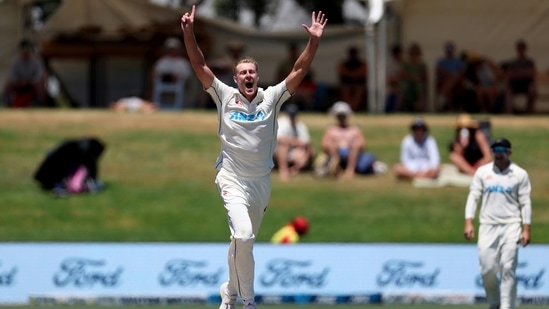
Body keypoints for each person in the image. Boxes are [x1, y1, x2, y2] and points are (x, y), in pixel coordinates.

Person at [180, 6, 327, 309]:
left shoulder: (271, 97)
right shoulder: (223, 95)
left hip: (260, 182)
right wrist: (188, 32)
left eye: (252, 72)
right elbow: (198, 64)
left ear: (258, 76)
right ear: (235, 79)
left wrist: (313, 41)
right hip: (232, 177)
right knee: (243, 236)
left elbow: (298, 71)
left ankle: (229, 290)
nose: (248, 76)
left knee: (243, 244)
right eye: (242, 72)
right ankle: (247, 302)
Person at [464, 138, 532, 309]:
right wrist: (469, 222)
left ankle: (506, 306)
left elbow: (525, 203)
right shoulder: (482, 172)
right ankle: (495, 303)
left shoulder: (519, 174)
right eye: (495, 150)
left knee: (507, 267)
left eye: (502, 150)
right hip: (488, 225)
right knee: (487, 269)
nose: (499, 153)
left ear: (509, 152)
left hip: (511, 225)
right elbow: (473, 197)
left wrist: (526, 229)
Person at [315, 101, 387, 179]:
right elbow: (324, 145)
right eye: (339, 116)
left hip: (352, 155)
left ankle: (350, 169)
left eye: (343, 116)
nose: (341, 119)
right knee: (331, 144)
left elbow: (362, 144)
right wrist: (336, 145)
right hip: (335, 154)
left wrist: (350, 145)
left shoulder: (355, 129)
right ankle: (336, 167)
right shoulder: (331, 130)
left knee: (356, 144)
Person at [274, 104, 314, 181]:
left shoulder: (300, 125)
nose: (292, 117)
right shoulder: (281, 122)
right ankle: (283, 170)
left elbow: (306, 142)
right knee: (284, 146)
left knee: (309, 151)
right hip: (276, 152)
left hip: (293, 152)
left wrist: (301, 146)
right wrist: (296, 142)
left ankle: (294, 170)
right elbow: (280, 139)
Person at [152, 37, 192, 109]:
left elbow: (187, 75)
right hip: (163, 82)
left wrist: (177, 77)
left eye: (174, 49)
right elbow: (156, 73)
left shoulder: (183, 62)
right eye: (170, 49)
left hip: (178, 83)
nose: (172, 51)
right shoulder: (162, 61)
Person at [275, 43, 317, 110]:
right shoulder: (285, 64)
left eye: (295, 51)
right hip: (288, 87)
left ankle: (309, 110)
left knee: (308, 96)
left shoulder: (302, 62)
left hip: (302, 87)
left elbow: (310, 75)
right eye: (292, 51)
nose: (293, 53)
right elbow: (278, 77)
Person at [4, 39, 44, 107]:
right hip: (19, 84)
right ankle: (8, 103)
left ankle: (40, 104)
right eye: (24, 52)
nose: (26, 54)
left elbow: (38, 76)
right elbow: (13, 77)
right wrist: (20, 82)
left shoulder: (36, 63)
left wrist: (29, 82)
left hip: (32, 84)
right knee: (8, 85)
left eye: (27, 52)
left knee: (40, 85)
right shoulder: (15, 63)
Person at [505, 39, 537, 114]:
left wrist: (518, 72)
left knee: (532, 89)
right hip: (515, 84)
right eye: (519, 48)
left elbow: (531, 73)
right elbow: (510, 74)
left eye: (522, 48)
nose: (521, 50)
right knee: (508, 91)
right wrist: (523, 72)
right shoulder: (513, 62)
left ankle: (529, 110)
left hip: (526, 83)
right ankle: (509, 112)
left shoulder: (530, 62)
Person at [435, 41, 466, 112]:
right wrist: (451, 76)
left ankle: (449, 106)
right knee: (451, 81)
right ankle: (451, 107)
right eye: (448, 50)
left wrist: (453, 77)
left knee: (453, 81)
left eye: (451, 50)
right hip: (445, 81)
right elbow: (440, 71)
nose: (449, 52)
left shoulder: (459, 61)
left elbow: (462, 73)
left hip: (456, 83)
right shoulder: (441, 61)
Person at [399, 42, 428, 112]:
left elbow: (424, 77)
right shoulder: (405, 64)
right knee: (403, 87)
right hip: (407, 83)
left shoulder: (422, 65)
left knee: (420, 88)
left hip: (418, 84)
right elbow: (403, 74)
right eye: (412, 53)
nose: (414, 55)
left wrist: (416, 78)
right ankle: (400, 107)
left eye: (416, 53)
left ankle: (419, 107)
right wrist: (413, 78)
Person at [338, 45, 367, 111]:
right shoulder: (344, 63)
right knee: (345, 90)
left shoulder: (361, 63)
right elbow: (342, 71)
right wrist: (355, 74)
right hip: (346, 84)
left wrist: (351, 74)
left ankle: (353, 107)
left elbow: (363, 72)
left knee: (359, 91)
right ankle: (349, 107)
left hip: (359, 84)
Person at [385, 43, 403, 113]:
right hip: (392, 87)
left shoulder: (402, 63)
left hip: (398, 85)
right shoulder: (392, 64)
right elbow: (391, 79)